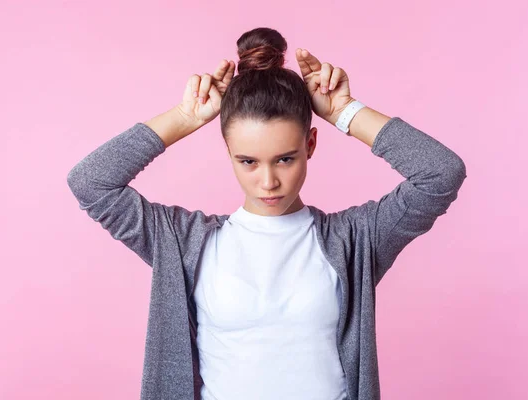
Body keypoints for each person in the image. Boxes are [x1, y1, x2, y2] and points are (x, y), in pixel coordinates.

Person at [67, 27, 467, 400]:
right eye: (248, 161)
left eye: (285, 158)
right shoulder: (182, 242)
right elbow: (91, 182)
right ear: (228, 152)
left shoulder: (355, 238)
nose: (268, 181)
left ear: (310, 144)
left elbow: (440, 174)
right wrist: (185, 118)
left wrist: (344, 111)